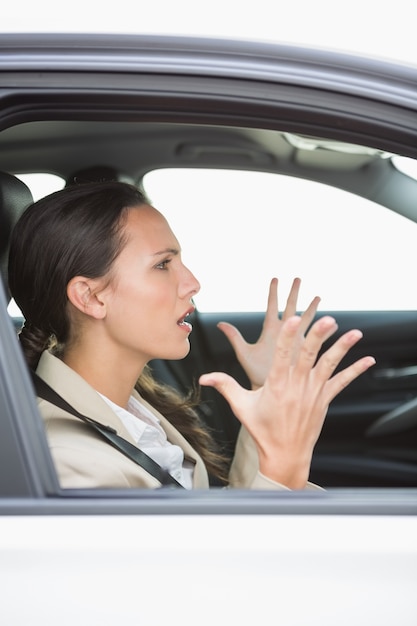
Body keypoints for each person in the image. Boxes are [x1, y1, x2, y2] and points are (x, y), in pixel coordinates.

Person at [8, 181, 375, 490]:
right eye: (163, 264)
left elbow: (212, 528)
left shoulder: (130, 409)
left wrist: (267, 391)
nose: (192, 283)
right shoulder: (70, 464)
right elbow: (215, 574)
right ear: (91, 296)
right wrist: (285, 464)